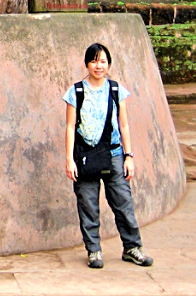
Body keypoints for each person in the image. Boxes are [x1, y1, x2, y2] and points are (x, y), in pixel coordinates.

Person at [64, 43, 154, 269]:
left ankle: (132, 247)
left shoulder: (116, 90)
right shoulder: (76, 92)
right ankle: (94, 250)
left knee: (123, 202)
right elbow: (69, 127)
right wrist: (69, 160)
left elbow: (124, 125)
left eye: (103, 61)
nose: (99, 66)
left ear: (109, 64)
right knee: (88, 205)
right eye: (94, 61)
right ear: (86, 64)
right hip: (85, 156)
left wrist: (128, 155)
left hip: (113, 153)